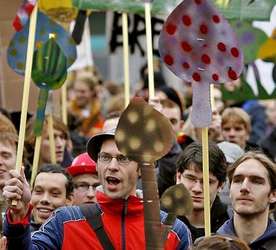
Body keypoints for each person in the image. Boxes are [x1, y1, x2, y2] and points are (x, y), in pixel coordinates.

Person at [3, 129, 191, 249]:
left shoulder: (173, 231)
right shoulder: (64, 221)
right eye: (105, 157)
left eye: (123, 158)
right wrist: (19, 216)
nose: (112, 166)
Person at [217, 151, 276, 249]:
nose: (244, 187)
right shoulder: (210, 246)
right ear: (230, 190)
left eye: (256, 181)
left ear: (273, 195)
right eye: (237, 180)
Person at [176, 141, 228, 242]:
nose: (197, 189)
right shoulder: (158, 221)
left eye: (208, 181)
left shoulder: (230, 228)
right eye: (190, 178)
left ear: (221, 185)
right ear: (178, 177)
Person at [25, 116, 71, 180]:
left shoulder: (70, 178)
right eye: (51, 138)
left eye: (62, 137)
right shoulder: (23, 179)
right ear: (33, 143)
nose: (60, 144)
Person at [30, 164, 73, 231]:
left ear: (69, 200)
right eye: (38, 191)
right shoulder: (16, 234)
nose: (45, 199)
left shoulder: (77, 237)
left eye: (54, 194)